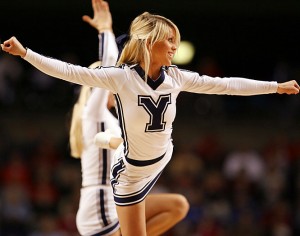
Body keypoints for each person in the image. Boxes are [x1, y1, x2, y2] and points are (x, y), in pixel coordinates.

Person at [1, 8, 299, 236]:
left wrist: (274, 86)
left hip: (158, 161)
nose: (174, 46)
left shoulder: (177, 77)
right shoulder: (122, 78)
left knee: (179, 205)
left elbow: (225, 84)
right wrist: (25, 53)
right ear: (149, 40)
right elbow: (69, 71)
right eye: (170, 40)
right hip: (130, 177)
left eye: (176, 41)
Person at [69, 0, 189, 235]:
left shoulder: (114, 119)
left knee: (178, 206)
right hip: (101, 203)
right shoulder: (93, 115)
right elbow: (110, 63)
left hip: (113, 197)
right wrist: (105, 30)